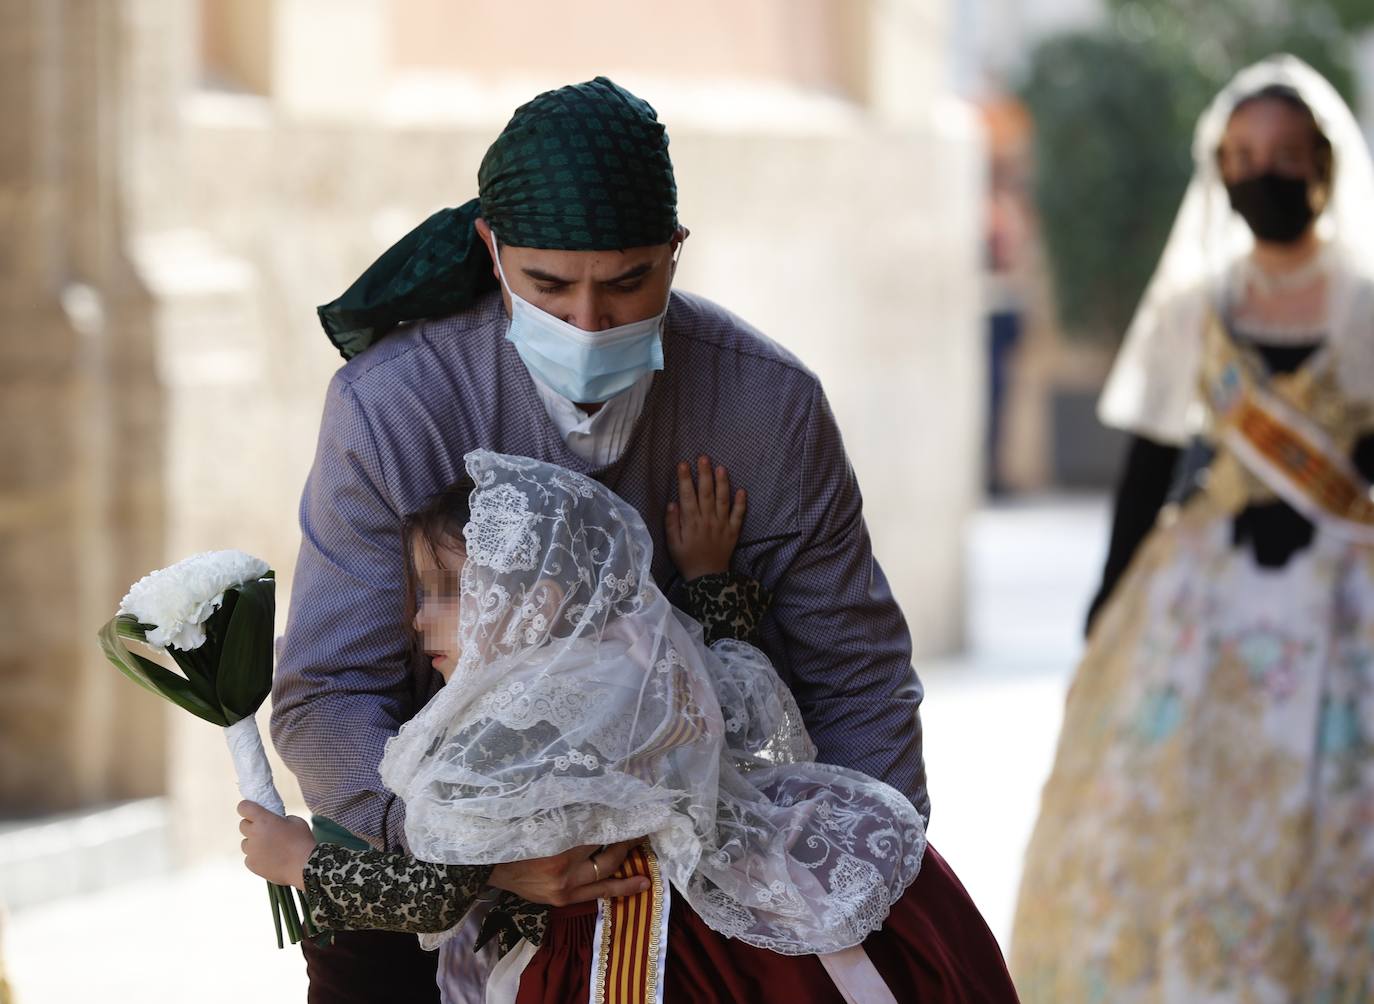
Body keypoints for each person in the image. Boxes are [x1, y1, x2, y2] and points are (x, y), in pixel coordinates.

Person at [271, 77, 930, 1001]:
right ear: (492, 250)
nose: (588, 322)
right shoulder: (394, 408)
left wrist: (856, 890)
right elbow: (329, 693)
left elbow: (855, 675)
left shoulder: (766, 408)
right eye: (548, 286)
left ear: (675, 253)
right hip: (439, 859)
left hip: (723, 878)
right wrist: (474, 863)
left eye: (628, 283)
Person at [245, 452, 1017, 1003]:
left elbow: (434, 895)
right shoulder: (638, 660)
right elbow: (738, 677)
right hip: (743, 921)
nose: (416, 621)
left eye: (444, 593)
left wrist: (302, 863)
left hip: (615, 959)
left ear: (538, 605)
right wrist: (711, 577)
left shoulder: (508, 734)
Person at [1011, 55, 1374, 1001]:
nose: (1266, 175)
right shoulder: (1192, 311)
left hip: (1349, 589)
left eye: (1286, 156)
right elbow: (1146, 468)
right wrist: (1104, 606)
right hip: (1201, 594)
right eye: (1244, 155)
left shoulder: (1370, 306)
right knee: (1182, 805)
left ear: (1326, 166)